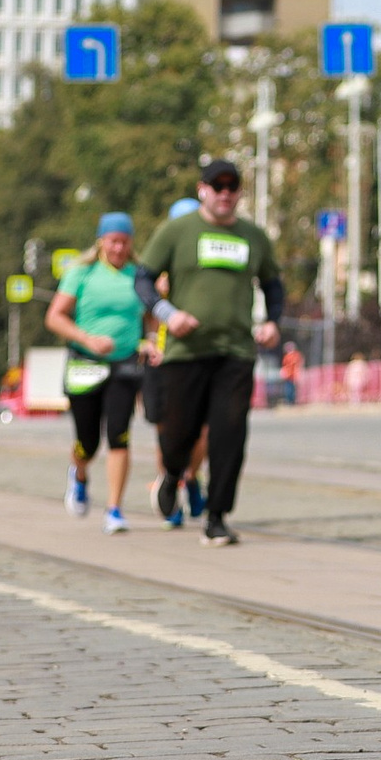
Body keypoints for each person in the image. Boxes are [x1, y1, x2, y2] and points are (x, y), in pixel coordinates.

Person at [135, 160, 284, 546]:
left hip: (235, 351)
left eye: (232, 186)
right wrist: (169, 314)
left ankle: (217, 517)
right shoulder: (177, 231)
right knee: (179, 432)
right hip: (186, 351)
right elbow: (144, 279)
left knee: (230, 433)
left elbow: (273, 283)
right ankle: (171, 473)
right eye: (217, 185)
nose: (224, 193)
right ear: (202, 189)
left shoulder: (253, 236)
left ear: (238, 192)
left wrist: (272, 321)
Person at [44, 213, 153, 532]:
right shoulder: (81, 273)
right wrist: (87, 338)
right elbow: (55, 317)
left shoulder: (139, 275)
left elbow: (152, 316)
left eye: (124, 242)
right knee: (87, 442)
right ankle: (79, 474)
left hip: (125, 365)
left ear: (131, 244)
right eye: (113, 241)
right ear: (101, 241)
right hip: (85, 365)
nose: (118, 248)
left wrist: (148, 341)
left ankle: (114, 509)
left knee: (119, 435)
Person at [139, 196, 210, 525]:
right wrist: (150, 341)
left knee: (203, 433)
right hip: (163, 361)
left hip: (200, 356)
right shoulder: (157, 267)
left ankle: (190, 478)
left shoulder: (207, 267)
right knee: (167, 433)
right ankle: (170, 495)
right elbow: (140, 309)